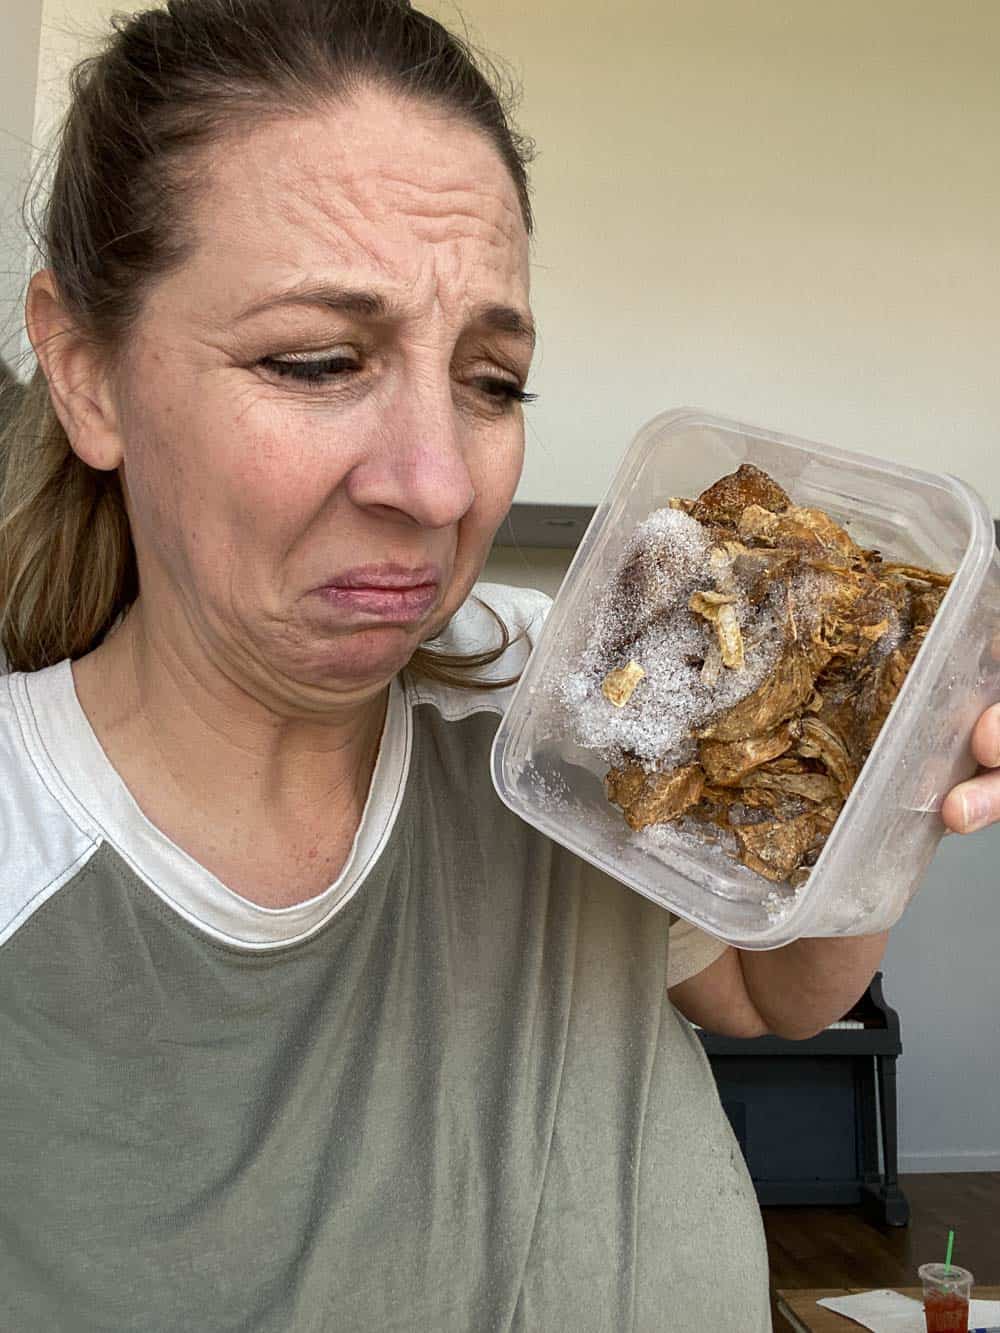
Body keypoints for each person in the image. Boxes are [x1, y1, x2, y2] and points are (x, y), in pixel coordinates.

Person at [0, 2, 996, 1329]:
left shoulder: (558, 694)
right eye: (315, 359)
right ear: (88, 375)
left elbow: (766, 988)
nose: (433, 482)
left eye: (492, 379)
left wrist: (889, 772)